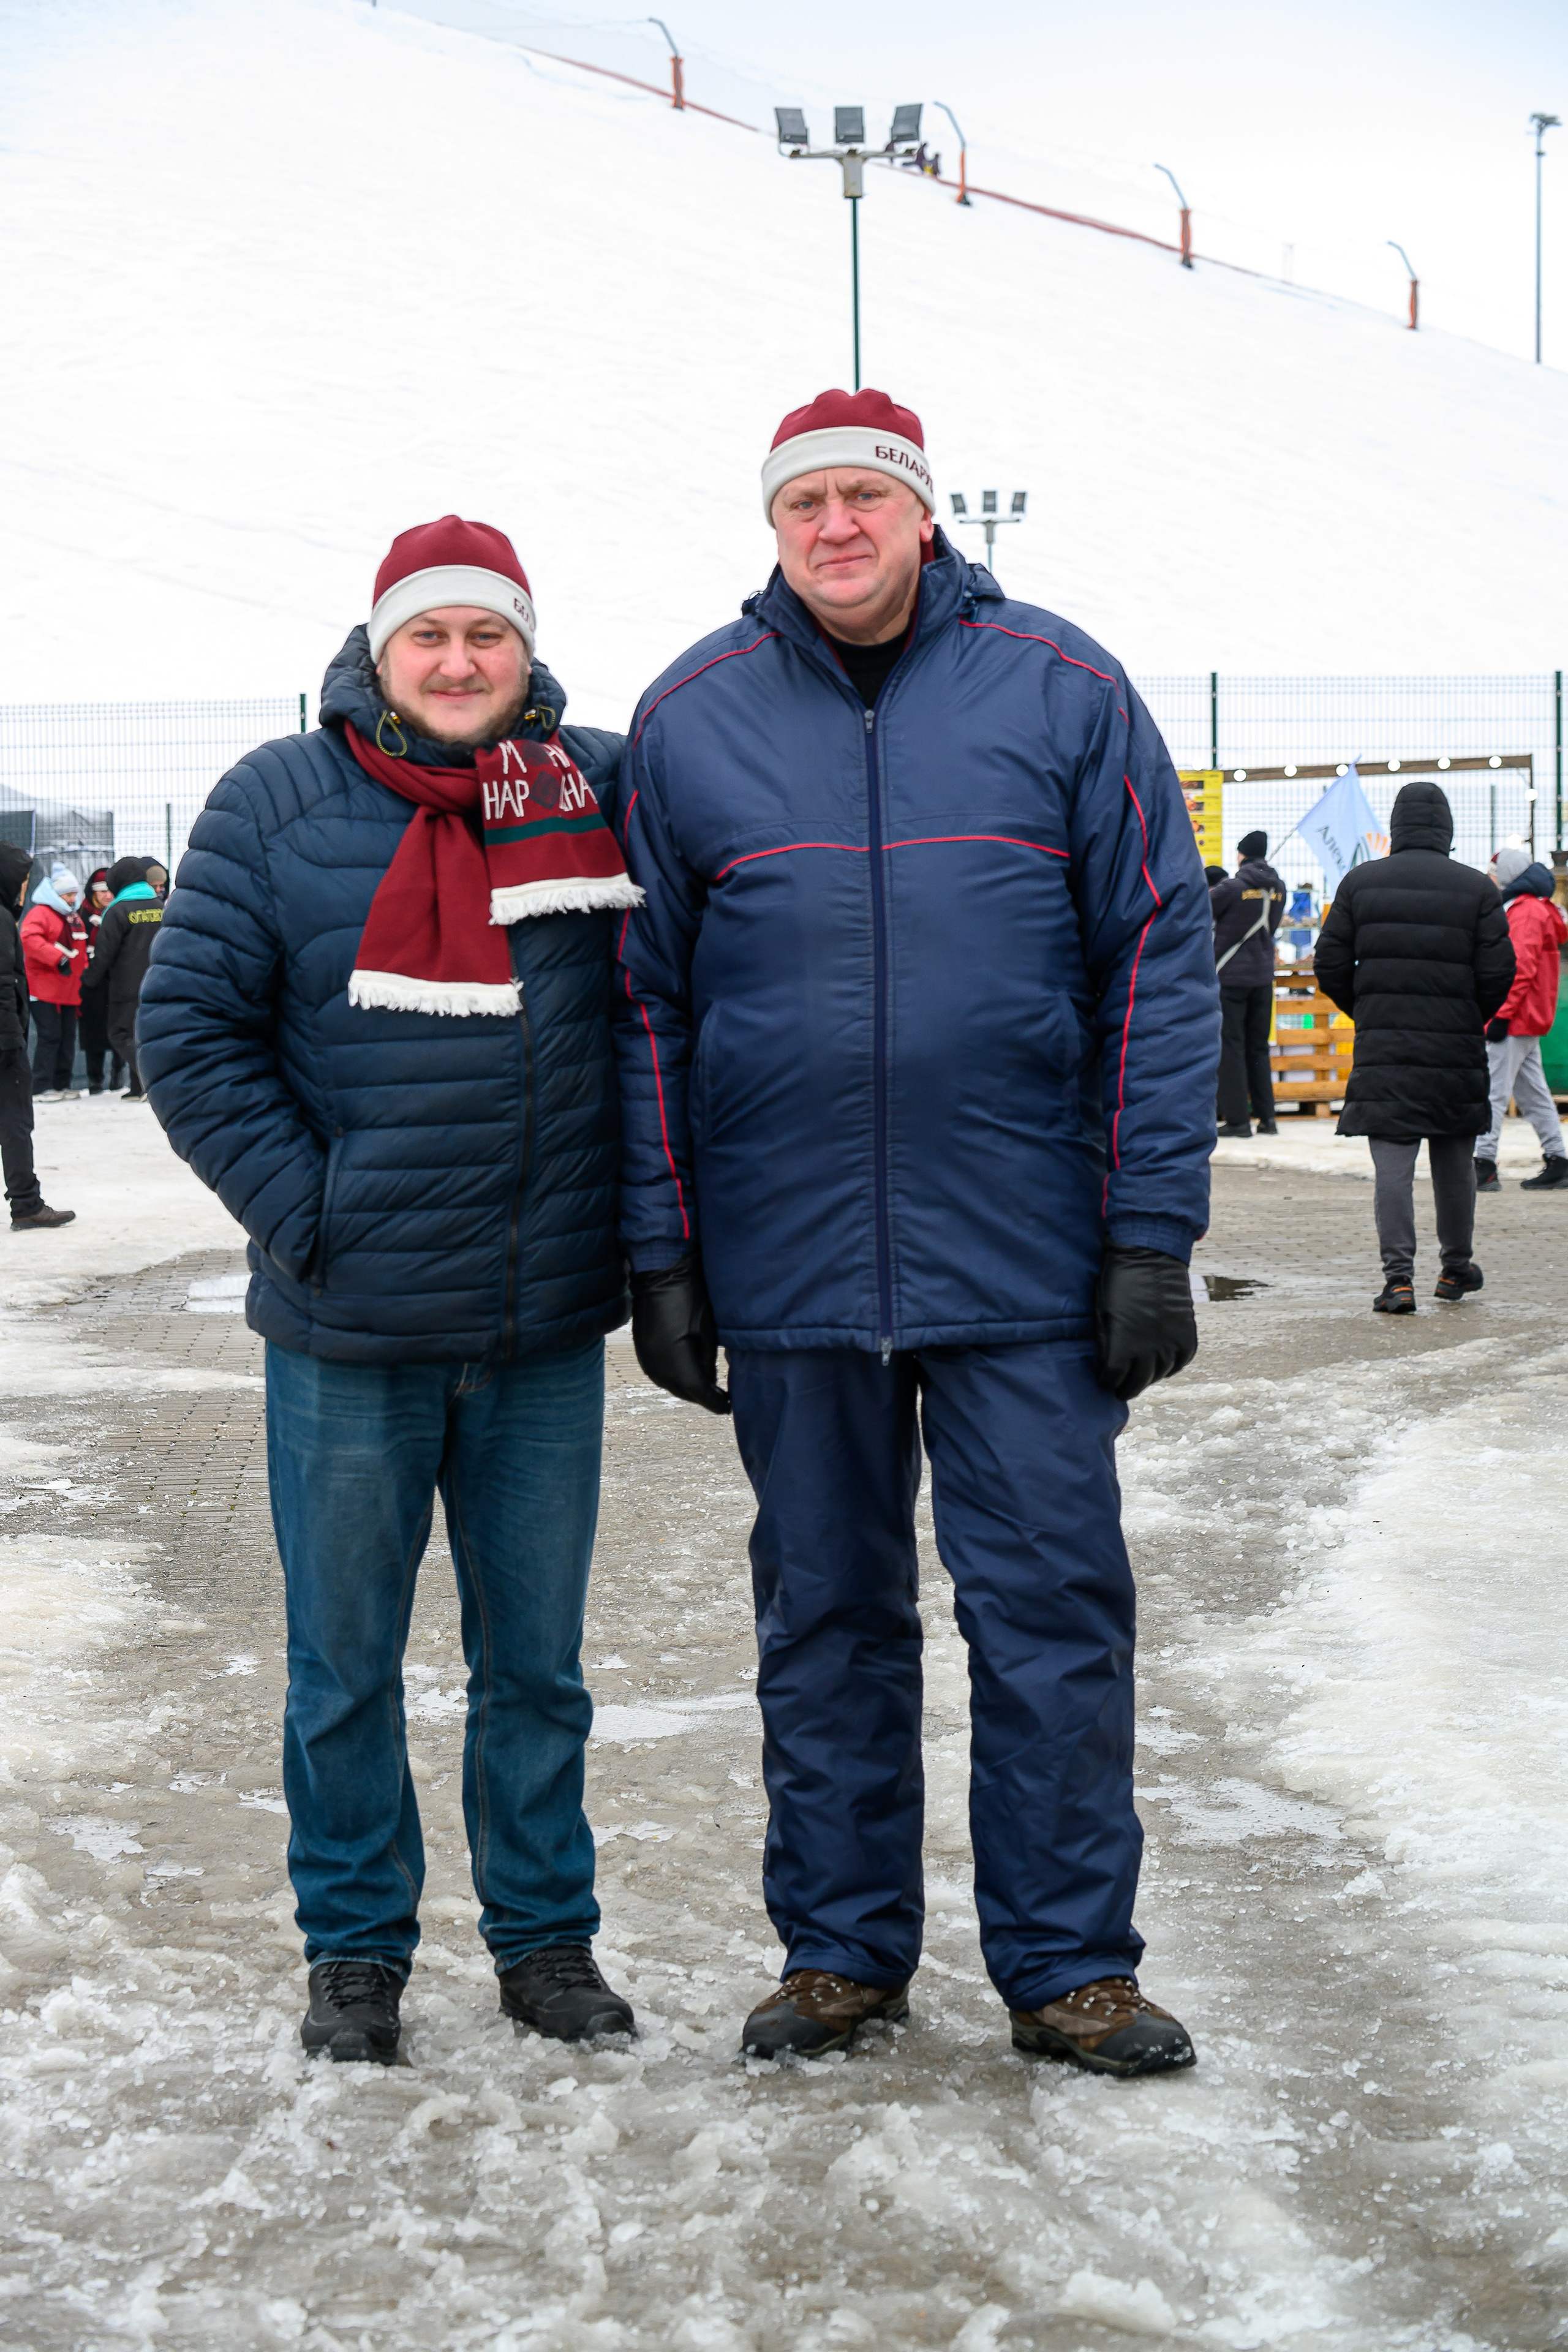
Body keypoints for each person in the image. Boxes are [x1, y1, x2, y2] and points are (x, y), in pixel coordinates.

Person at [615, 388, 1217, 2075]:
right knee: (825, 1614)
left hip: (1023, 1254)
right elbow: (644, 1002)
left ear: (926, 514)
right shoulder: (692, 718)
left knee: (1050, 1609)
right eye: (803, 501)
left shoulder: (1066, 690)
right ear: (773, 526)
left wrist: (1149, 1231)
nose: (835, 526)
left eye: (865, 496)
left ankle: (1070, 1967)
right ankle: (841, 1954)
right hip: (790, 1260)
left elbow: (1156, 968)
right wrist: (664, 1250)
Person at [138, 516, 643, 2065]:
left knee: (535, 1669)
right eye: (427, 635)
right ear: (377, 650)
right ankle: (353, 1948)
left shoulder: (599, 790)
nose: (456, 660)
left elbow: (669, 1010)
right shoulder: (276, 804)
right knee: (342, 1663)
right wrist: (311, 1214)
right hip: (347, 1332)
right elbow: (190, 1030)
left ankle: (545, 1940)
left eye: (484, 634)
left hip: (541, 1326)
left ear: (524, 646)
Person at [1314, 780, 1514, 1313]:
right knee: (1455, 1162)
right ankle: (1455, 1271)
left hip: (1386, 1049)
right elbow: (1500, 972)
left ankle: (1398, 1280)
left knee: (1394, 1168)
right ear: (1446, 828)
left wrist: (1370, 1009)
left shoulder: (1361, 883)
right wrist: (1468, 1015)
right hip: (1455, 1049)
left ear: (1397, 825)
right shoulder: (1477, 889)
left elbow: (1329, 964)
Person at [1474, 848, 1568, 1193]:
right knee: (1535, 1095)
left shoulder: (1524, 911)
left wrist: (1500, 1015)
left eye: (1495, 871)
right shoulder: (1538, 909)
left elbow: (1519, 970)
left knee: (1493, 1092)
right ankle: (1559, 1161)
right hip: (1528, 1019)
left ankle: (1483, 1165)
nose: (1491, 878)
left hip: (1514, 1018)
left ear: (1510, 875)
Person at [0, 843, 75, 1230]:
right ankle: (27, 1205)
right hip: (5, 1043)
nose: (25, 887)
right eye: (22, 879)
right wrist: (11, 1041)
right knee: (15, 1122)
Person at [1209, 829, 1285, 1138]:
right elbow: (1275, 925)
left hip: (1231, 978)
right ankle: (1268, 1119)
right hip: (1263, 978)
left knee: (1232, 1047)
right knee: (1258, 1048)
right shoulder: (1279, 888)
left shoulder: (1232, 887)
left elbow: (1201, 909)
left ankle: (1238, 1121)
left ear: (1241, 855)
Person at [80, 856, 164, 1099]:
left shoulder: (117, 911)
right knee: (144, 1036)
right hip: (157, 984)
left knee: (120, 1034)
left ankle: (149, 1080)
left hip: (126, 987)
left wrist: (88, 981)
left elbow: (104, 954)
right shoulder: (159, 907)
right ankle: (138, 1088)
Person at [20, 862, 88, 1099]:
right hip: (44, 989)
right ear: (56, 894)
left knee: (67, 1037)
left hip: (69, 989)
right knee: (50, 1036)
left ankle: (61, 1083)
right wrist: (57, 958)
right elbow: (29, 939)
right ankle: (41, 1086)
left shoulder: (72, 915)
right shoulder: (40, 913)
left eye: (74, 894)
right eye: (68, 894)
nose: (73, 898)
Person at [78, 869, 124, 1093]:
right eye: (102, 891)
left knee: (119, 1027)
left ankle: (118, 1075)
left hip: (116, 980)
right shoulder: (82, 916)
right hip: (91, 983)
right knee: (93, 1030)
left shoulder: (119, 913)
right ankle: (95, 1079)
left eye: (110, 891)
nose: (107, 896)